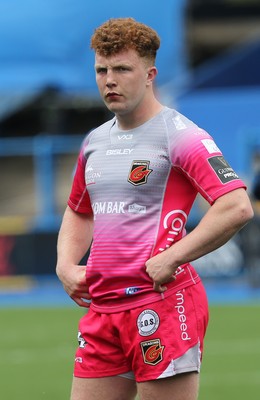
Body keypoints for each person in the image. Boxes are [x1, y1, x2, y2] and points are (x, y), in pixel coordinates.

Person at [56, 18, 254, 400]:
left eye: (122, 69)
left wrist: (174, 257)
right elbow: (79, 210)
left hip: (161, 303)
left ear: (150, 74)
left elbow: (236, 206)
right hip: (103, 308)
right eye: (102, 70)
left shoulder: (181, 136)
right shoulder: (94, 142)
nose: (109, 80)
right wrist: (65, 265)